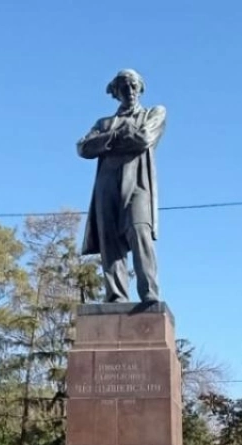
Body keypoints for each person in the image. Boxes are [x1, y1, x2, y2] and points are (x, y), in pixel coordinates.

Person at [77, 68, 167, 304]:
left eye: (134, 85)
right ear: (115, 92)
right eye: (124, 86)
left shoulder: (154, 113)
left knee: (140, 231)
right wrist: (117, 136)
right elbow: (83, 148)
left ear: (141, 89)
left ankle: (149, 294)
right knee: (109, 241)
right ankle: (116, 296)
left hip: (138, 183)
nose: (130, 90)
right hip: (106, 185)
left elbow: (144, 139)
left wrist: (106, 142)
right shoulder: (104, 123)